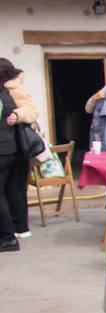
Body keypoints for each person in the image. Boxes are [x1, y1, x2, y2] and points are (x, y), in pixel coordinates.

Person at [0, 59, 38, 251]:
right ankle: (17, 227)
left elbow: (31, 111)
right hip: (11, 144)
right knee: (12, 188)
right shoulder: (7, 89)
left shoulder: (11, 89)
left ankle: (17, 228)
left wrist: (17, 116)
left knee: (13, 188)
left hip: (14, 144)